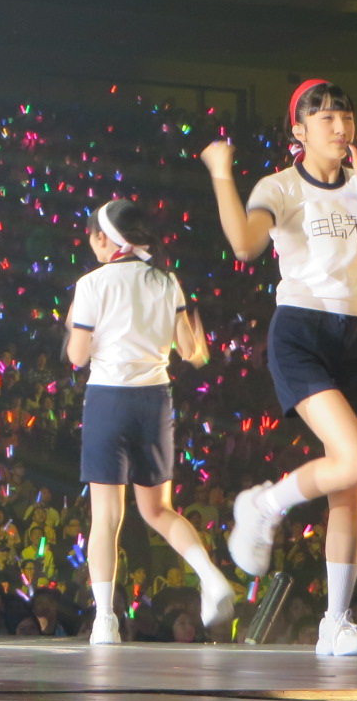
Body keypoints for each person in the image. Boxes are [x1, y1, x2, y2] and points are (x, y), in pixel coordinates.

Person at [201, 79, 357, 657]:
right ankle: (264, 505)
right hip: (301, 332)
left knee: (351, 486)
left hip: (355, 336)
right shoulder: (281, 186)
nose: (340, 127)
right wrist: (222, 174)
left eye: (346, 116)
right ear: (299, 130)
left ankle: (335, 623)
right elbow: (245, 245)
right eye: (326, 118)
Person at [65, 199, 234, 646]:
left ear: (104, 238)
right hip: (155, 401)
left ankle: (105, 620)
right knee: (158, 510)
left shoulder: (91, 283)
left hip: (108, 399)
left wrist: (73, 325)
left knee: (106, 517)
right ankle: (210, 577)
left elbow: (77, 356)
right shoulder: (166, 280)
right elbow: (190, 351)